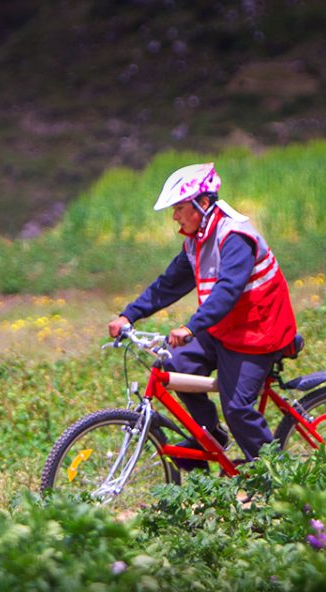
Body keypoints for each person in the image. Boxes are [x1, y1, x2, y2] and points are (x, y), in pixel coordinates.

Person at [108, 163, 298, 467]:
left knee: (237, 408)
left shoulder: (234, 235)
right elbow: (168, 285)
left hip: (257, 333)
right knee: (176, 365)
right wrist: (129, 315)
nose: (175, 216)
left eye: (180, 207)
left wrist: (191, 327)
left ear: (203, 203)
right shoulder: (196, 239)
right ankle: (210, 435)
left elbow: (227, 291)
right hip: (225, 329)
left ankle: (280, 480)